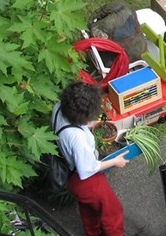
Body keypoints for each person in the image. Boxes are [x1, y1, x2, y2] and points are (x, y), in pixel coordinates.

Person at [52, 81, 129, 236]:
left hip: (71, 175)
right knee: (112, 210)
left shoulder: (59, 107)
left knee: (89, 209)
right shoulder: (77, 137)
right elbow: (87, 168)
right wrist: (115, 161)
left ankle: (93, 233)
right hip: (86, 181)